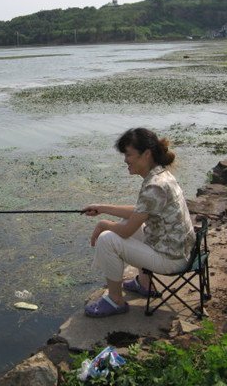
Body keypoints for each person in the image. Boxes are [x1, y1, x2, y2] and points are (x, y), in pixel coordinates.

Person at [82, 128, 195, 317]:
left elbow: (126, 232)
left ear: (147, 154)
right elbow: (139, 213)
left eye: (128, 154)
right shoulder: (161, 175)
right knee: (127, 221)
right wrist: (101, 207)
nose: (125, 160)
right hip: (177, 248)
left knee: (107, 239)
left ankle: (116, 301)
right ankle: (144, 283)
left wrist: (103, 224)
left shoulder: (154, 186)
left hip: (172, 259)